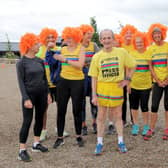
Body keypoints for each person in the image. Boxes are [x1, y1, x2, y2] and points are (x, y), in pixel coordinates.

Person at [88, 29, 136, 155]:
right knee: (101, 117)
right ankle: (99, 143)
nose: (107, 40)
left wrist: (127, 79)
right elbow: (93, 77)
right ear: (101, 40)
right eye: (104, 38)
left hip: (116, 88)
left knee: (118, 116)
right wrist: (94, 95)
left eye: (109, 37)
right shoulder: (97, 56)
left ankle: (120, 141)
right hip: (102, 89)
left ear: (113, 39)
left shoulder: (121, 52)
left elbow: (133, 65)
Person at [16, 33, 52, 162]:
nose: (38, 45)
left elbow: (44, 79)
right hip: (29, 96)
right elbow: (20, 82)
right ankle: (22, 150)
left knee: (39, 119)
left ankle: (36, 144)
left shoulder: (40, 61)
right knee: (27, 121)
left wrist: (48, 94)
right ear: (29, 45)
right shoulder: (21, 63)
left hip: (42, 94)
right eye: (36, 44)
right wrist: (26, 98)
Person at [52, 27, 85, 148]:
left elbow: (80, 65)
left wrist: (65, 59)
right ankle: (60, 137)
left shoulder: (81, 48)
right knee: (61, 110)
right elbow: (51, 54)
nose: (69, 40)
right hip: (63, 81)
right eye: (67, 37)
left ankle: (79, 136)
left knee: (77, 110)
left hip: (77, 81)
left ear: (76, 38)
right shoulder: (63, 49)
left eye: (71, 37)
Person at [37, 28, 69, 141]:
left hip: (58, 84)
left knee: (61, 107)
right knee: (43, 109)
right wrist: (47, 49)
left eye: (53, 37)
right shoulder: (39, 51)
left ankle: (59, 128)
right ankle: (43, 131)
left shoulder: (60, 49)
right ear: (43, 39)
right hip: (44, 85)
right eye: (48, 37)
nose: (51, 39)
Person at [144, 23, 168, 140]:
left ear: (162, 34)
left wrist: (166, 79)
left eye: (158, 33)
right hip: (157, 81)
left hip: (167, 80)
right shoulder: (150, 49)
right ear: (152, 36)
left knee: (167, 105)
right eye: (154, 34)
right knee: (154, 105)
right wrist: (158, 81)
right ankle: (151, 129)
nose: (157, 35)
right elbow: (150, 67)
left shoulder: (167, 46)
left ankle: (167, 129)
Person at [128, 32, 152, 136]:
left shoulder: (148, 53)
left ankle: (146, 126)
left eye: (141, 42)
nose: (139, 44)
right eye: (137, 42)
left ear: (144, 42)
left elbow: (151, 69)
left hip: (146, 85)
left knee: (144, 107)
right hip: (133, 85)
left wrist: (153, 82)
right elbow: (128, 70)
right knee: (133, 107)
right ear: (134, 43)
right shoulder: (131, 54)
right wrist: (128, 84)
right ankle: (136, 125)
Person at [79, 24, 99, 135]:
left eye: (91, 34)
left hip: (92, 74)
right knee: (81, 101)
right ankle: (83, 125)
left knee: (94, 99)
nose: (90, 36)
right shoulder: (78, 45)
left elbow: (98, 58)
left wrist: (86, 63)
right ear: (82, 34)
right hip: (81, 75)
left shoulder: (94, 45)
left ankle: (95, 123)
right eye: (88, 34)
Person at [120, 24, 138, 127]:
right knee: (122, 99)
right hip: (122, 75)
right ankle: (123, 120)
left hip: (133, 75)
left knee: (132, 98)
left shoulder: (135, 45)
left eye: (131, 33)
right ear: (123, 34)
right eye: (126, 33)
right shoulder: (121, 45)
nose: (128, 34)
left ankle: (133, 119)